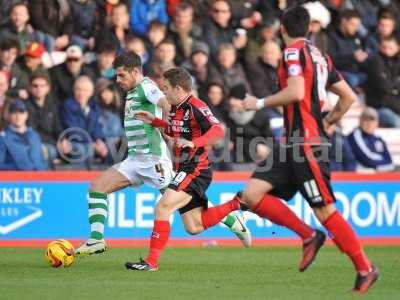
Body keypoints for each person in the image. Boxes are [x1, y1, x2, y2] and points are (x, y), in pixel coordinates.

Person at [242, 6, 378, 293]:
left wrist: (259, 103)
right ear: (309, 28)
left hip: (306, 145)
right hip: (291, 144)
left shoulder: (292, 53)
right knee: (251, 194)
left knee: (325, 210)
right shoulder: (321, 56)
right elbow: (349, 96)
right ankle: (307, 236)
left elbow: (296, 92)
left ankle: (365, 268)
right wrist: (328, 121)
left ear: (282, 28)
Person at [75, 52, 250, 256]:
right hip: (134, 159)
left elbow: (166, 103)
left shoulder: (147, 87)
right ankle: (96, 240)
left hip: (153, 161)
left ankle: (230, 218)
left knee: (190, 213)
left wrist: (172, 129)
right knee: (97, 187)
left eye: (121, 75)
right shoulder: (133, 90)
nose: (118, 80)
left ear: (135, 72)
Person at [125, 67, 251, 271]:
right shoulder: (176, 107)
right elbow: (176, 131)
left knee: (163, 207)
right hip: (182, 168)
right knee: (194, 226)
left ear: (178, 88)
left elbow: (218, 130)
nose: (163, 93)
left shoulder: (196, 106)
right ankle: (235, 205)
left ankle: (151, 262)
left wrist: (194, 143)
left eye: (165, 88)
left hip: (196, 169)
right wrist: (154, 121)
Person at [0, 99, 46, 170]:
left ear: (26, 115)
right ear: (9, 115)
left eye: (21, 112)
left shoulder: (34, 135)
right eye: (14, 112)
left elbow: (42, 161)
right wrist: (17, 167)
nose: (18, 116)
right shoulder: (3, 138)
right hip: (16, 179)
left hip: (39, 178)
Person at [348, 107, 394, 171]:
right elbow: (366, 159)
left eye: (372, 120)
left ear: (377, 122)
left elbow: (389, 160)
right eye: (366, 120)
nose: (369, 123)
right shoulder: (355, 135)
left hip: (378, 174)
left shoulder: (378, 138)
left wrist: (383, 165)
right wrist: (382, 163)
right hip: (359, 175)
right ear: (360, 121)